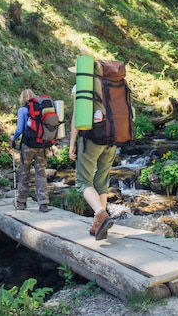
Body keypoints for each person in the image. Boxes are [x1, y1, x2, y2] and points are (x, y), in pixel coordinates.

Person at [68, 67, 115, 241]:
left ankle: (101, 214)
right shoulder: (112, 85)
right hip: (112, 139)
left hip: (92, 139)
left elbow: (76, 118)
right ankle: (99, 226)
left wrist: (72, 143)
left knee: (82, 182)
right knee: (101, 182)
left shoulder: (81, 86)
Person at [11, 89, 50, 212]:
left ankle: (21, 202)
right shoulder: (41, 109)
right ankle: (43, 203)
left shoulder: (23, 110)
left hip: (27, 145)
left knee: (24, 172)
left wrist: (14, 138)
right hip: (42, 145)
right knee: (40, 173)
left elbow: (19, 129)